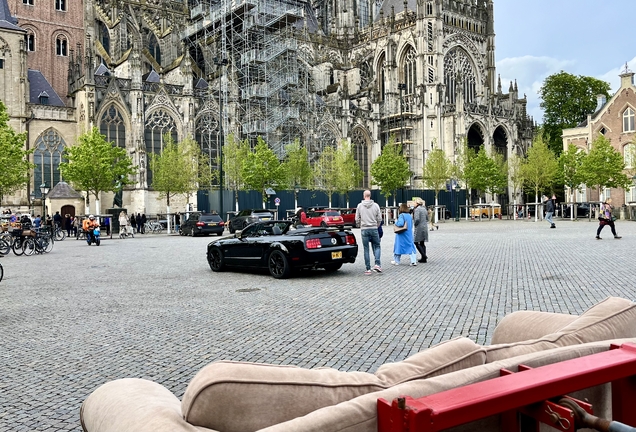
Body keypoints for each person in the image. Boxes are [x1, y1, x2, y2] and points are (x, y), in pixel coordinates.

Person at [355, 190, 383, 275]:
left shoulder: (359, 206)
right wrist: (377, 225)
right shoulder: (376, 206)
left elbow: (357, 219)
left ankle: (368, 269)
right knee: (377, 246)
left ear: (364, 196)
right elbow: (380, 219)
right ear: (370, 195)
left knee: (366, 249)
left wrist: (360, 225)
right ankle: (377, 264)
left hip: (364, 229)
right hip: (374, 228)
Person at [413, 198, 428, 263]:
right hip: (425, 226)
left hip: (419, 227)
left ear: (417, 203)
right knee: (422, 242)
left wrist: (415, 225)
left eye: (414, 202)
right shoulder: (424, 209)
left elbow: (417, 219)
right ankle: (423, 258)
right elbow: (427, 218)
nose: (413, 204)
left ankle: (424, 255)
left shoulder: (417, 210)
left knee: (416, 242)